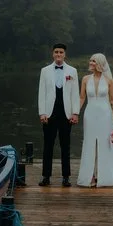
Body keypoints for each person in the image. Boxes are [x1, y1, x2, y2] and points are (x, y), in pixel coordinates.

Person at [77, 53, 113, 187]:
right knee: (90, 143)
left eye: (93, 61)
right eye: (90, 60)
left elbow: (112, 101)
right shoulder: (85, 79)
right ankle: (91, 175)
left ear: (100, 64)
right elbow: (82, 98)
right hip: (89, 115)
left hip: (105, 115)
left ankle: (103, 175)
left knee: (104, 143)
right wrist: (75, 113)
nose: (90, 63)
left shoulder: (108, 80)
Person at [37, 43, 80, 187]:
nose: (58, 54)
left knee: (65, 146)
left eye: (61, 52)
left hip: (66, 114)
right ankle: (46, 177)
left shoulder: (72, 71)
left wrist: (75, 113)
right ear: (52, 54)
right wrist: (42, 112)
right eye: (56, 52)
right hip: (49, 114)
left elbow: (75, 93)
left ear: (65, 54)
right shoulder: (45, 71)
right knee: (48, 146)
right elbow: (41, 93)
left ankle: (66, 177)